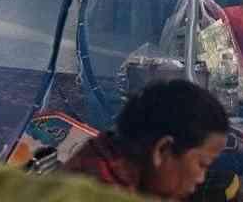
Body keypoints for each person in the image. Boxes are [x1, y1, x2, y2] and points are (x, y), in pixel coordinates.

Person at [63, 79, 229, 200]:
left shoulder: (111, 153)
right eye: (202, 164)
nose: (201, 178)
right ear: (162, 150)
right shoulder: (95, 192)